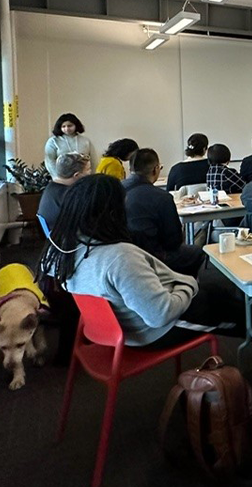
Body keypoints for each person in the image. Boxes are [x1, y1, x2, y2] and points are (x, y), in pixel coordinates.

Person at [40, 174, 241, 347]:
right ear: (113, 211)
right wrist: (188, 284)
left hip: (116, 326)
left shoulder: (60, 249)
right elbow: (160, 315)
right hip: (149, 333)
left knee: (218, 294)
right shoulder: (119, 257)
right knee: (227, 306)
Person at [122, 148, 204, 276]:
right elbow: (174, 240)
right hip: (153, 256)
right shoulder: (161, 197)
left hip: (122, 255)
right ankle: (184, 286)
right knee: (195, 252)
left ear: (130, 169)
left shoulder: (116, 190)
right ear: (155, 169)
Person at [38, 152, 90, 228]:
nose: (91, 173)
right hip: (66, 236)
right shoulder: (70, 195)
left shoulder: (50, 188)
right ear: (77, 175)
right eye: (88, 169)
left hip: (55, 236)